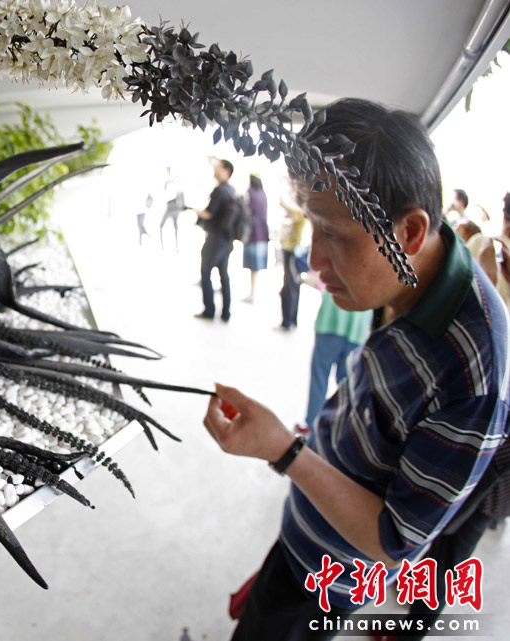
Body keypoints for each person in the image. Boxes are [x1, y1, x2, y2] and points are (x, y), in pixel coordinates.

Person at [203, 98, 510, 641]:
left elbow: (395, 544)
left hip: (332, 572)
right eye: (312, 228)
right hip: (309, 521)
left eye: (336, 235)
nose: (313, 259)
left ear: (410, 232)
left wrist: (285, 451)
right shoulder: (406, 273)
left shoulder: (473, 372)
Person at [302, 287, 372, 431]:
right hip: (358, 330)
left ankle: (312, 425)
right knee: (347, 385)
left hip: (331, 323)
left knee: (320, 377)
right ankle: (340, 429)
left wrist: (318, 325)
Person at [195, 157, 236, 321]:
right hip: (227, 240)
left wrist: (195, 210)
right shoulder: (232, 190)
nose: (215, 169)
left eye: (218, 167)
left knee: (206, 272)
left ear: (226, 170)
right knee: (224, 275)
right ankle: (226, 312)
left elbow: (209, 213)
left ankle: (209, 310)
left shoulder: (220, 190)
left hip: (215, 239)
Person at [278, 193, 307, 329]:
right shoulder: (300, 211)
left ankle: (288, 321)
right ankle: (291, 320)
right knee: (293, 286)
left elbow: (282, 203)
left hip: (292, 253)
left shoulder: (299, 211)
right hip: (292, 252)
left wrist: (281, 188)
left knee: (290, 287)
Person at [242, 173, 269, 303]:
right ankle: (253, 292)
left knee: (253, 264)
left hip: (252, 233)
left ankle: (252, 292)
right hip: (262, 232)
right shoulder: (263, 193)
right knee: (256, 266)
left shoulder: (249, 193)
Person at [159, 166, 185, 251]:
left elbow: (180, 193)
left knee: (175, 227)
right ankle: (163, 246)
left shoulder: (175, 181)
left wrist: (182, 207)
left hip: (175, 208)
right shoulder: (167, 181)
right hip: (169, 207)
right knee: (161, 226)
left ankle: (176, 246)